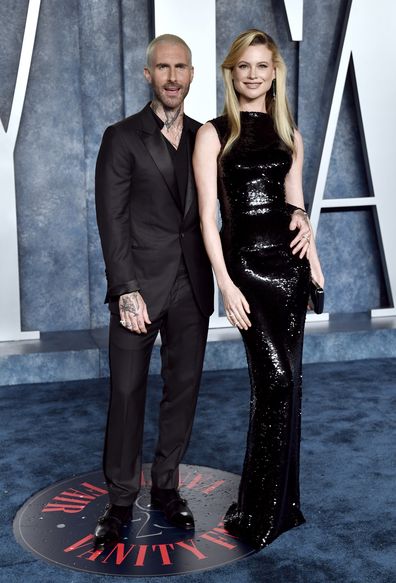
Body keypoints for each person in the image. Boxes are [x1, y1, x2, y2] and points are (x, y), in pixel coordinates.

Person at [193, 29, 324, 549]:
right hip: (245, 267)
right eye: (244, 66)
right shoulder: (213, 132)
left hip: (289, 270)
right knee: (272, 381)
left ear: (274, 74)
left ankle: (279, 505)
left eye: (262, 66)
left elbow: (295, 206)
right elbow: (207, 219)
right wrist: (224, 282)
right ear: (232, 71)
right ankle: (257, 510)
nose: (253, 74)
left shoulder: (290, 132)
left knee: (289, 383)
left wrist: (313, 254)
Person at [94, 34, 214, 547]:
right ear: (148, 74)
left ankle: (167, 487)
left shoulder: (207, 136)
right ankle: (121, 499)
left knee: (182, 390)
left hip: (192, 283)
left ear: (191, 74)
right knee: (126, 392)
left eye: (180, 67)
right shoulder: (121, 137)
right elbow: (112, 220)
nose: (171, 77)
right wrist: (125, 288)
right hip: (138, 288)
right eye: (162, 67)